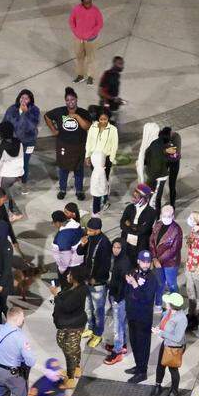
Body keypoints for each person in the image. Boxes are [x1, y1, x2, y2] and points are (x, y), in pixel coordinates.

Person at [44, 87, 91, 201]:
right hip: (64, 145)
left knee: (79, 170)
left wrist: (77, 117)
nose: (70, 102)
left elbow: (87, 126)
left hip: (79, 146)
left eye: (72, 99)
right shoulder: (60, 111)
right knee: (63, 170)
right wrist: (54, 130)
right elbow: (47, 116)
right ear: (65, 101)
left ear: (76, 99)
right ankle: (62, 190)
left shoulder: (83, 112)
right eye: (68, 100)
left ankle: (79, 191)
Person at [125, 251, 162, 383]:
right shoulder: (134, 272)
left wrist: (134, 284)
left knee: (143, 344)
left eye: (148, 262)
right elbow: (127, 290)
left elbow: (145, 298)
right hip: (132, 313)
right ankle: (138, 365)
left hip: (143, 316)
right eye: (143, 261)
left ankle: (142, 371)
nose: (146, 264)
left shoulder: (152, 278)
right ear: (138, 261)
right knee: (134, 342)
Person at [77, 217, 112, 348]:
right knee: (88, 308)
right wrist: (82, 244)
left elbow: (105, 265)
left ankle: (98, 334)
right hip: (87, 280)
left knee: (98, 310)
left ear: (98, 230)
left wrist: (96, 278)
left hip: (98, 284)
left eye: (91, 230)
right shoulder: (89, 238)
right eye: (88, 229)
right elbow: (80, 253)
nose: (88, 232)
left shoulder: (105, 243)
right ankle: (90, 328)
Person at [151, 292, 188, 396]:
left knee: (173, 369)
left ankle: (174, 391)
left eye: (167, 302)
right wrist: (158, 328)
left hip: (175, 346)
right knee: (160, 365)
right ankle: (158, 385)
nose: (165, 303)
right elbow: (163, 324)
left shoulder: (181, 319)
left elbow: (177, 338)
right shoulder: (168, 312)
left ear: (172, 305)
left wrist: (161, 333)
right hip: (166, 343)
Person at [2, 89, 40, 191]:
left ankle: (24, 183)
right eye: (22, 97)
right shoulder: (12, 109)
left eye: (26, 98)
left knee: (25, 162)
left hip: (28, 142)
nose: (23, 100)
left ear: (30, 100)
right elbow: (5, 123)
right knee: (13, 161)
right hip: (14, 141)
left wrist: (26, 113)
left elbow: (32, 125)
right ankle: (13, 178)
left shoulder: (34, 110)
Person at [103, 240, 132, 365]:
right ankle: (122, 344)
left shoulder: (123, 262)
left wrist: (117, 299)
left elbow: (124, 283)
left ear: (123, 248)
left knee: (117, 326)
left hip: (119, 299)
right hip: (118, 297)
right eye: (114, 247)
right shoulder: (120, 259)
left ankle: (117, 351)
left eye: (118, 247)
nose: (115, 249)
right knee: (121, 323)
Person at [84, 110, 118, 213]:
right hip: (94, 158)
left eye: (105, 119)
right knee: (96, 179)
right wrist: (87, 156)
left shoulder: (113, 129)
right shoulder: (93, 127)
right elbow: (88, 142)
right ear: (98, 119)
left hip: (105, 159)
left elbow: (114, 145)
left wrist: (111, 160)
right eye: (101, 119)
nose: (103, 121)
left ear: (108, 119)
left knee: (104, 180)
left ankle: (104, 200)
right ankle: (96, 199)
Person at [150, 205, 183, 305]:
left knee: (171, 284)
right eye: (164, 216)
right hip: (157, 261)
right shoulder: (158, 224)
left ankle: (176, 305)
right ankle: (158, 304)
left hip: (170, 263)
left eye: (169, 216)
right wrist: (154, 258)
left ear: (173, 216)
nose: (166, 218)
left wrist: (158, 260)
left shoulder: (177, 230)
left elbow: (174, 249)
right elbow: (152, 240)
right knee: (159, 283)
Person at [68, 0, 103, 84]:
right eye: (86, 2)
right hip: (78, 39)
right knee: (79, 57)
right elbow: (71, 21)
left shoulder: (95, 10)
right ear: (82, 2)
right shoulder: (77, 9)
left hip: (91, 40)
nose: (88, 4)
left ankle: (91, 76)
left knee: (91, 58)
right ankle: (80, 75)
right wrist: (76, 32)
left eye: (89, 2)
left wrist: (91, 34)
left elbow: (99, 24)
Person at [143, 127, 181, 212]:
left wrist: (166, 152)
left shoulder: (176, 137)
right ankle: (155, 208)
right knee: (158, 191)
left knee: (172, 184)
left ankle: (172, 205)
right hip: (162, 166)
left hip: (174, 163)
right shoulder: (158, 143)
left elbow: (175, 155)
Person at [121, 183, 158, 260]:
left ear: (143, 199)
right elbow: (122, 224)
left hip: (141, 246)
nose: (132, 199)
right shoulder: (129, 207)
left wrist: (129, 225)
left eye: (135, 197)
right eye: (133, 196)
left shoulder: (151, 212)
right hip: (126, 244)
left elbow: (143, 230)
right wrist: (134, 228)